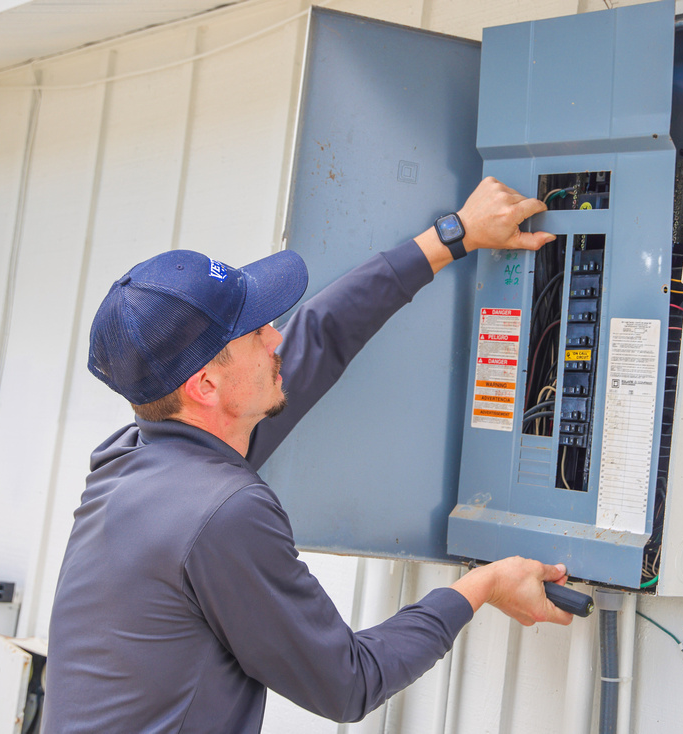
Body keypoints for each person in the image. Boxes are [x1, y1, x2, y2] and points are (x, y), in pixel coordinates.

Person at [42, 178, 573, 733]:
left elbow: (320, 335)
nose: (276, 338)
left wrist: (454, 236)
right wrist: (480, 586)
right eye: (255, 331)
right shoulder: (222, 511)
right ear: (205, 386)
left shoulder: (137, 454)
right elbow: (348, 683)